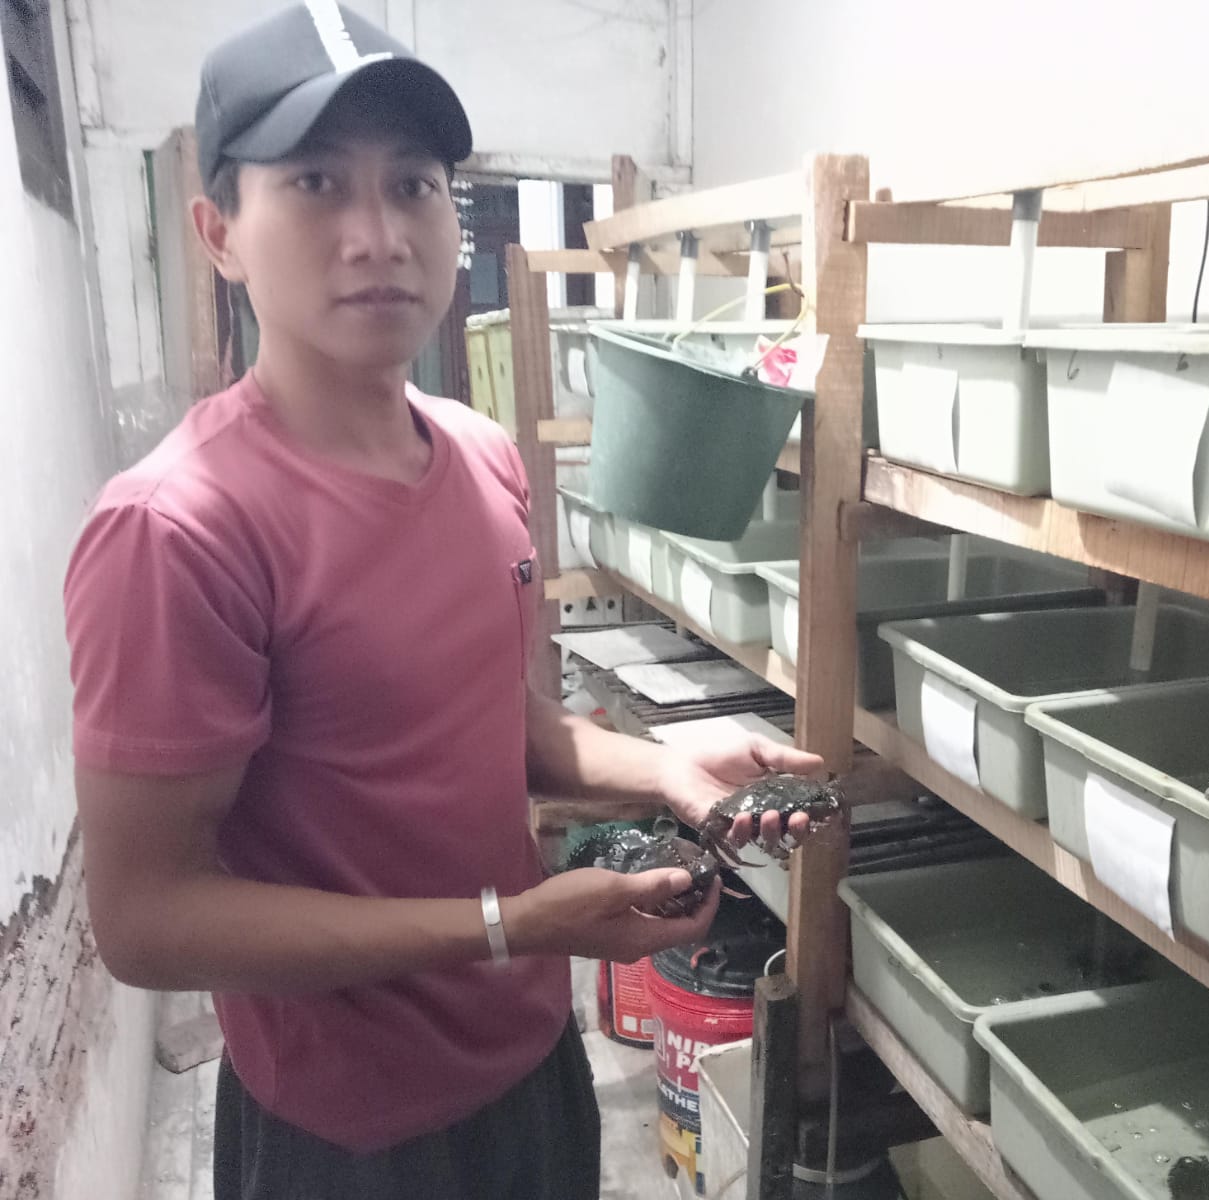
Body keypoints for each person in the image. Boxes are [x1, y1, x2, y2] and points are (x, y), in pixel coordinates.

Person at [62, 5, 823, 1197]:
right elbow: (148, 920)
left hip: (533, 1069)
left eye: (412, 184)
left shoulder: (480, 457)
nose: (377, 235)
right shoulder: (178, 529)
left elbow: (500, 729)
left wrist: (672, 768)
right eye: (317, 183)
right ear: (219, 233)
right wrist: (514, 923)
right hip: (348, 1135)